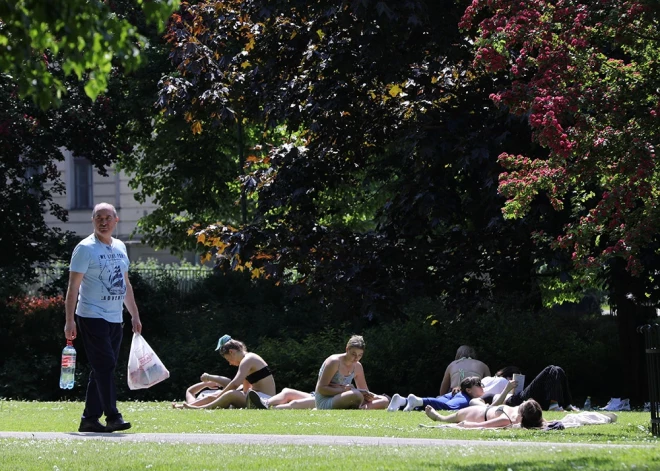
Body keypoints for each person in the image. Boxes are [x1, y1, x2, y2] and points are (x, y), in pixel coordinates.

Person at [64, 202, 142, 433]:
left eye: (108, 217)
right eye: (99, 217)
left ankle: (89, 419)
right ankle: (113, 416)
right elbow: (72, 288)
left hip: (115, 317)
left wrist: (134, 314)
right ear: (93, 221)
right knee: (106, 365)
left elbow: (126, 284)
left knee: (101, 368)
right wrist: (69, 321)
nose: (104, 221)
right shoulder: (85, 248)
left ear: (116, 220)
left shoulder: (119, 247)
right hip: (90, 316)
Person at [179, 335, 276, 409]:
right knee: (224, 394)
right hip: (258, 397)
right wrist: (218, 396)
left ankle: (201, 408)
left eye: (228, 359)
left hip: (264, 399)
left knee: (230, 394)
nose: (230, 363)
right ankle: (188, 406)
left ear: (231, 352)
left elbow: (234, 384)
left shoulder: (248, 359)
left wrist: (220, 396)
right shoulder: (246, 361)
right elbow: (246, 390)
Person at [313, 335, 389, 410]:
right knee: (356, 395)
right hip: (327, 400)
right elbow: (321, 389)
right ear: (347, 349)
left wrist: (368, 396)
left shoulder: (358, 366)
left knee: (384, 400)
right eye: (353, 354)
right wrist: (344, 390)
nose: (356, 358)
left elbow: (364, 390)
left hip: (349, 396)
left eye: (360, 355)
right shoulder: (334, 362)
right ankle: (361, 408)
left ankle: (361, 410)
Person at [492, 365, 579, 412]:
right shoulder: (494, 382)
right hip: (514, 401)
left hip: (523, 398)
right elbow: (492, 407)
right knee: (550, 369)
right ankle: (553, 405)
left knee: (558, 369)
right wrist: (507, 389)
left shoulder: (494, 380)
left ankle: (567, 404)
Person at [423, 398, 546, 429]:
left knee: (448, 419)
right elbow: (541, 421)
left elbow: (484, 425)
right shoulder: (533, 415)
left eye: (524, 403)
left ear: (522, 411)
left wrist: (466, 425)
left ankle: (438, 417)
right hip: (487, 408)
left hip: (476, 414)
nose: (523, 401)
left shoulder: (506, 419)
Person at [387, 376, 487, 412]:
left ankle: (402, 400)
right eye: (478, 384)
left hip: (453, 394)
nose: (482, 386)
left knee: (435, 404)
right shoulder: (466, 398)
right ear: (469, 390)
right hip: (460, 395)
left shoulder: (463, 393)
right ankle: (416, 400)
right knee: (449, 407)